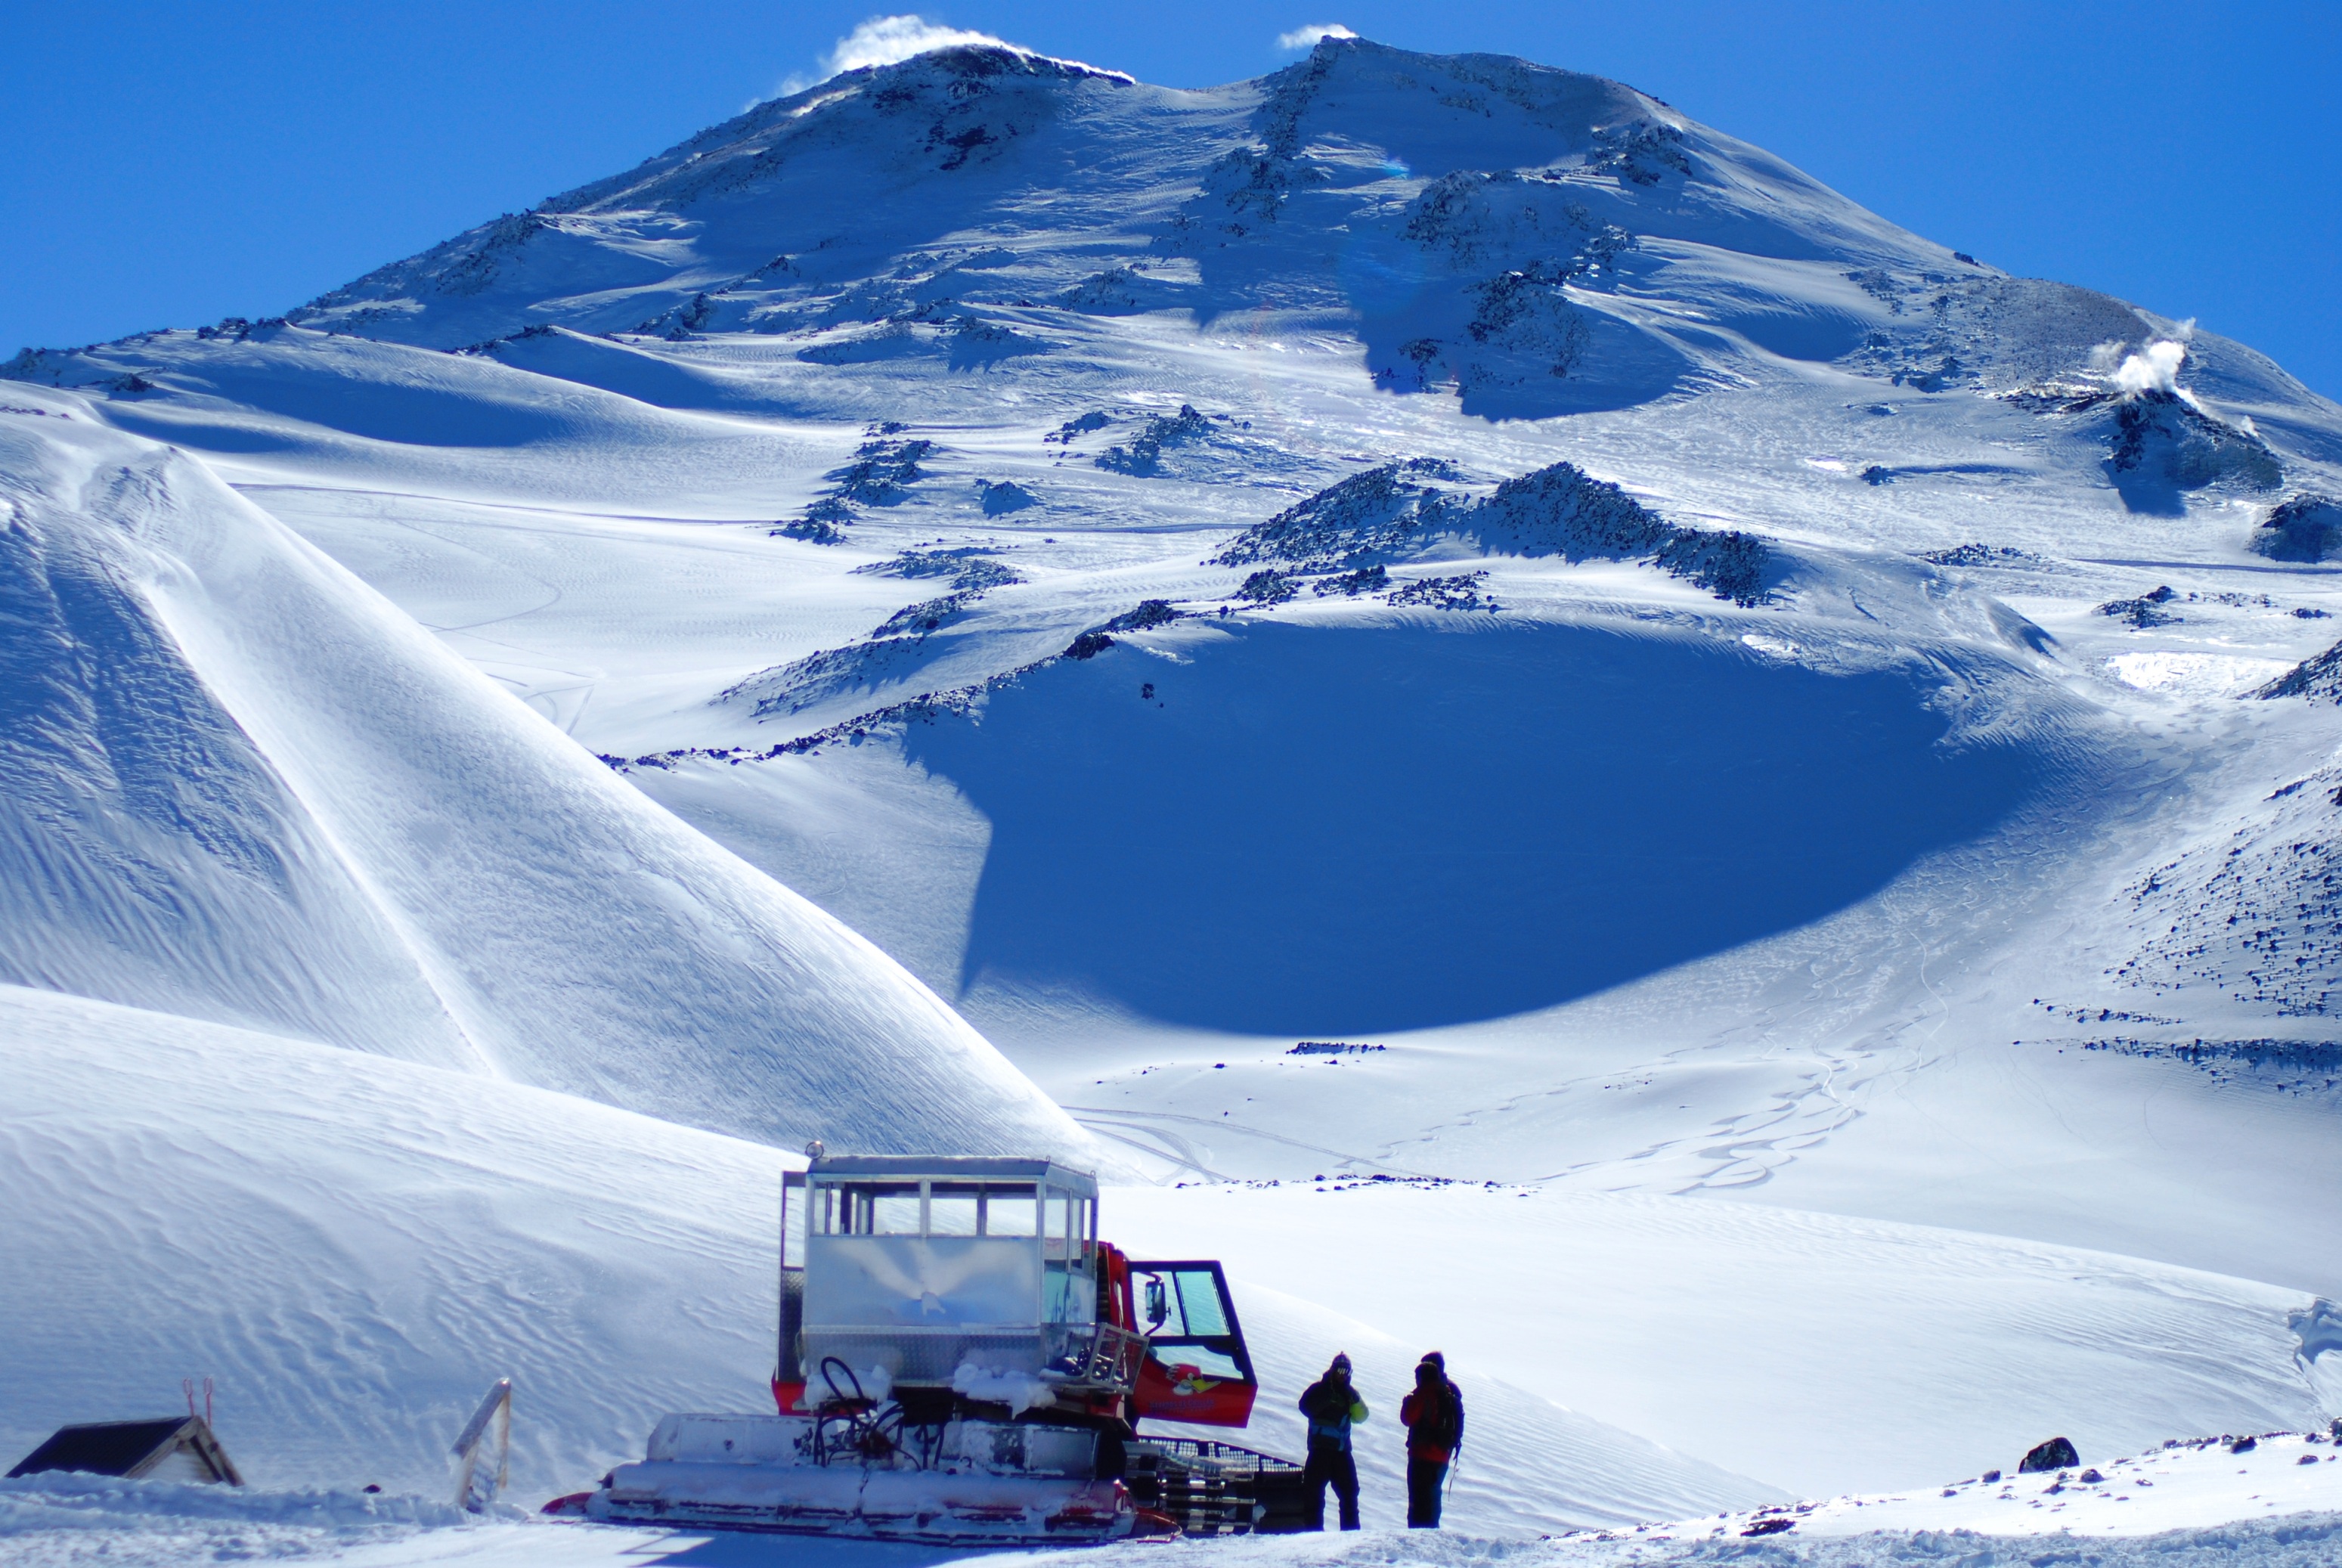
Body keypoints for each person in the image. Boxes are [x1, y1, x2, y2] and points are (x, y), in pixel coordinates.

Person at [1296, 1353, 1368, 1529]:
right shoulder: (1319, 1389)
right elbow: (1304, 1406)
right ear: (1333, 1369)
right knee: (1313, 1495)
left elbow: (1362, 1417)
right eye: (1340, 1370)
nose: (1343, 1374)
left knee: (1350, 1496)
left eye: (1347, 1371)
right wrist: (1327, 1399)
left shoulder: (1349, 1394)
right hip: (1320, 1451)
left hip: (1341, 1453)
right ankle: (1313, 1534)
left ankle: (1350, 1536)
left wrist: (1355, 1398)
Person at [1399, 1353, 1463, 1528]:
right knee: (1433, 1497)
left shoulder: (1425, 1391)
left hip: (1422, 1454)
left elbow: (1408, 1418)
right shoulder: (1451, 1392)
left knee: (1417, 1500)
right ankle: (1432, 1533)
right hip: (1443, 1455)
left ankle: (1416, 1534)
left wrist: (1409, 1401)